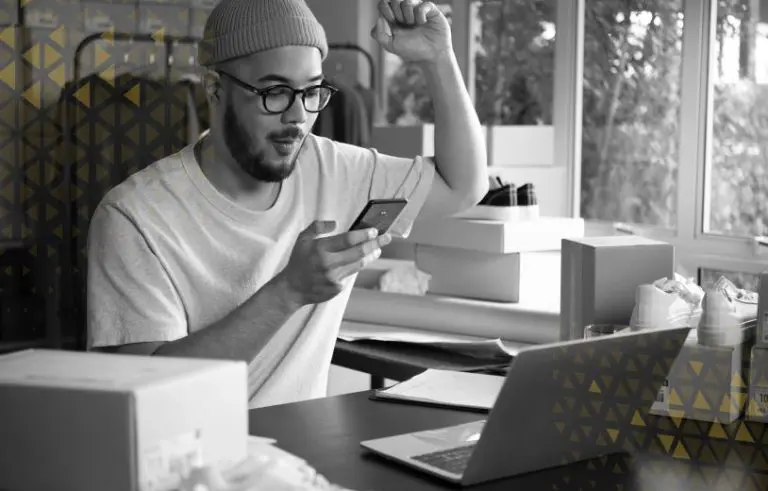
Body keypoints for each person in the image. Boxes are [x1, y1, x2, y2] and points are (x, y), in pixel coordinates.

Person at [86, 0, 488, 408]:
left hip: (301, 455)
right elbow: (145, 395)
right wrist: (288, 292)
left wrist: (439, 59)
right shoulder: (134, 216)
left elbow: (462, 187)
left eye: (312, 91)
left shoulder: (335, 168)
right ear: (215, 88)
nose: (298, 116)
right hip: (190, 461)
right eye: (275, 92)